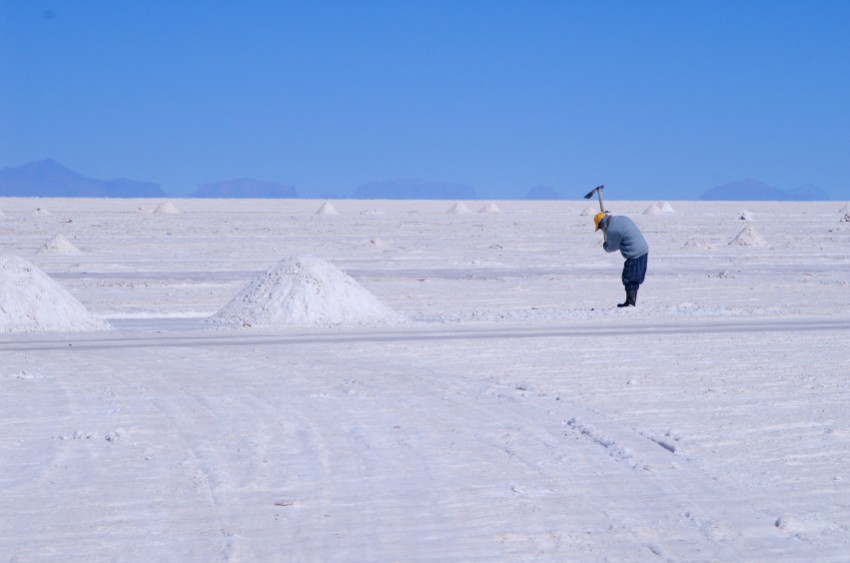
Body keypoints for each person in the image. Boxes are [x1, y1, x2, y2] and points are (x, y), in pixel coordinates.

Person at [594, 211, 648, 307]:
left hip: (635, 253)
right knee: (632, 277)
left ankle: (630, 303)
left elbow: (611, 248)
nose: (602, 231)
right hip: (643, 250)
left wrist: (605, 245)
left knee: (629, 277)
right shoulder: (619, 219)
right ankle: (630, 301)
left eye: (601, 229)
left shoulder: (612, 229)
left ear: (602, 225)